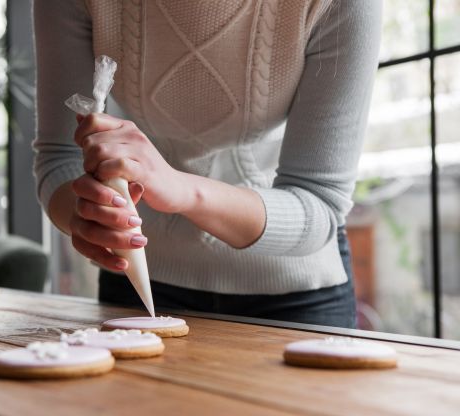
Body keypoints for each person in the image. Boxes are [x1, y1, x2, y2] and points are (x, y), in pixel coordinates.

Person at [32, 0, 382, 328]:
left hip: (297, 290)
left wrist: (181, 189)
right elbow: (60, 157)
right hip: (139, 278)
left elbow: (319, 202)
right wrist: (86, 215)